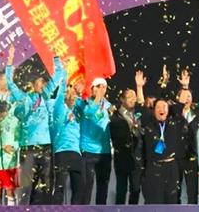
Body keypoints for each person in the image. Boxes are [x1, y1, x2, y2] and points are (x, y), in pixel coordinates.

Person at [6, 46, 65, 205]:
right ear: (33, 84)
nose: (44, 84)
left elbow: (59, 75)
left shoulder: (45, 96)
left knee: (45, 183)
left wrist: (56, 57)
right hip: (28, 147)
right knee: (26, 186)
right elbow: (10, 83)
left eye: (44, 82)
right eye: (41, 82)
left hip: (45, 147)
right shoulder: (23, 98)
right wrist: (10, 60)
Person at [141, 98, 188, 204]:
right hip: (153, 168)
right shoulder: (148, 124)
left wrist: (173, 106)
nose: (161, 109)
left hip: (171, 168)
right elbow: (143, 110)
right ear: (153, 111)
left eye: (164, 107)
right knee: (153, 201)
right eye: (158, 107)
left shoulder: (175, 124)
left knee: (172, 200)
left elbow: (179, 110)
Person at [110, 71, 146, 205]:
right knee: (121, 189)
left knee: (135, 189)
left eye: (134, 96)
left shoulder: (137, 114)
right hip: (122, 157)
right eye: (129, 96)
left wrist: (139, 87)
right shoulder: (115, 115)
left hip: (137, 157)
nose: (133, 99)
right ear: (122, 99)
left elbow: (142, 106)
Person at [51, 67, 85, 205]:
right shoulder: (58, 109)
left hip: (76, 153)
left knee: (79, 189)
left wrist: (80, 92)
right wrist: (64, 75)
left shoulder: (77, 111)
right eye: (68, 94)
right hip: (61, 153)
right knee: (59, 189)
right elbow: (60, 95)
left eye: (73, 95)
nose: (71, 97)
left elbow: (88, 106)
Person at [78, 76, 113, 205]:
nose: (102, 89)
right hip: (88, 151)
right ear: (92, 89)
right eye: (99, 86)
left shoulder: (108, 106)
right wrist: (98, 98)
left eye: (104, 87)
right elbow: (89, 113)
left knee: (103, 188)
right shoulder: (84, 103)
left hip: (104, 152)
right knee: (86, 188)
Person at [173, 70, 199, 204]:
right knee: (175, 191)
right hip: (176, 156)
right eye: (185, 96)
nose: (187, 98)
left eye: (190, 96)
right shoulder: (174, 114)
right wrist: (184, 86)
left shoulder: (198, 114)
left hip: (192, 157)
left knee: (192, 191)